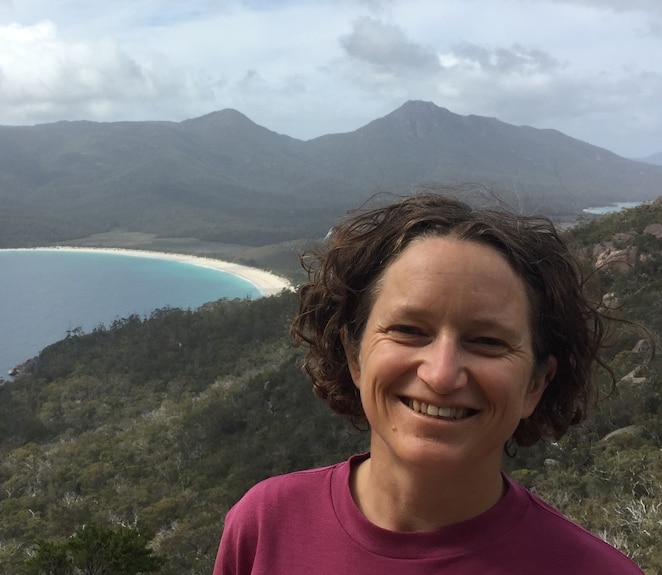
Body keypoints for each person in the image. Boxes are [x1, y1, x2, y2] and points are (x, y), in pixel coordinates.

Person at [213, 193, 645, 574]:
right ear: (354, 355)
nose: (440, 375)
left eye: (488, 341)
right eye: (408, 330)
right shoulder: (266, 524)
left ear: (536, 383)